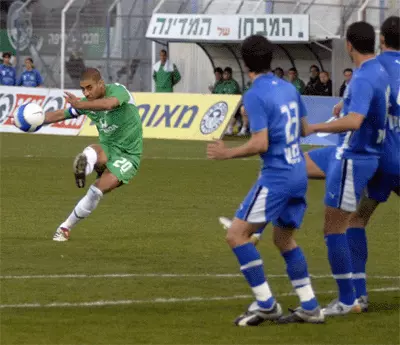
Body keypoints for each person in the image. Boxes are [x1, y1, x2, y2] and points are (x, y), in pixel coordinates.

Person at [207, 35, 324, 326]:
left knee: (236, 235)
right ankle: (310, 305)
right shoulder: (288, 88)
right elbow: (306, 129)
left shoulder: (255, 94)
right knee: (284, 238)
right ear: (271, 59)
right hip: (298, 171)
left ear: (244, 62)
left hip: (278, 177)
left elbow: (259, 143)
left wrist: (226, 153)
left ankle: (266, 304)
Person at [307, 21, 389, 316]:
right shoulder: (379, 71)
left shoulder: (364, 77)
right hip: (371, 154)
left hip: (354, 156)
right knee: (350, 221)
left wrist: (313, 127)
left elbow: (355, 121)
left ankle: (348, 299)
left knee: (334, 228)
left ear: (349, 46)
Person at [34, 68, 143, 242]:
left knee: (96, 191)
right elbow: (62, 114)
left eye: (89, 88)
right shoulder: (87, 103)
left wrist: (80, 104)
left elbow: (109, 104)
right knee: (93, 150)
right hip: (108, 148)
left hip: (128, 155)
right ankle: (83, 170)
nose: (86, 93)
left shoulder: (118, 91)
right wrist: (37, 121)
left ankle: (65, 227)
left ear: (101, 84)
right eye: (83, 89)